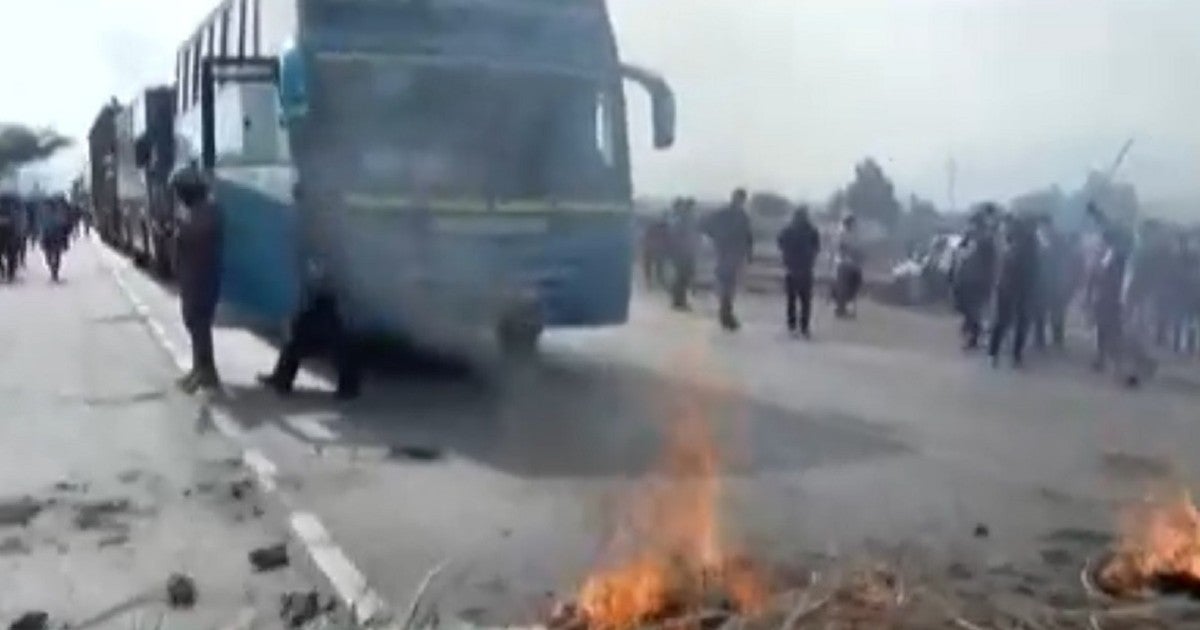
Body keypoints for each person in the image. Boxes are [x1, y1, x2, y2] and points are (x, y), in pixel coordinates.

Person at [257, 260, 362, 400]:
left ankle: (283, 379)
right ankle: (283, 378)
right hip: (324, 301)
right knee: (309, 338)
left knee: (329, 340)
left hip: (328, 302)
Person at [173, 167, 224, 393]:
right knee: (195, 324)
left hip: (201, 277)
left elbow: (197, 238)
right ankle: (203, 370)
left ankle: (204, 372)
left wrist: (180, 232)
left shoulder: (206, 211)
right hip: (194, 276)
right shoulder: (198, 210)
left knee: (199, 324)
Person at [1086, 203, 1134, 378]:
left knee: (1112, 331)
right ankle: (1104, 360)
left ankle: (1120, 366)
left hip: (1112, 298)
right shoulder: (1112, 254)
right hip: (1106, 297)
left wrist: (1098, 214)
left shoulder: (1118, 255)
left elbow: (1109, 227)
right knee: (1104, 329)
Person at [987, 213, 1040, 367]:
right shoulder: (1026, 245)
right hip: (1017, 289)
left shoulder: (1013, 245)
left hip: (1011, 288)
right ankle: (1013, 355)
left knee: (1004, 321)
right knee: (1017, 323)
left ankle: (995, 353)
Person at [703, 188, 754, 330]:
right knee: (727, 285)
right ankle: (726, 314)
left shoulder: (733, 215)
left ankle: (726, 313)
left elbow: (748, 237)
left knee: (728, 285)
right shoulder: (733, 215)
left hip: (731, 253)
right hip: (729, 253)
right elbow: (748, 237)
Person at [952, 208, 998, 349]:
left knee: (974, 309)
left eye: (972, 223)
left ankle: (974, 336)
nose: (969, 226)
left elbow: (991, 261)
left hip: (978, 280)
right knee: (965, 307)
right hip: (965, 278)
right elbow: (959, 251)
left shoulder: (986, 240)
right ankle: (974, 331)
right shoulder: (969, 237)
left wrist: (991, 278)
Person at [777, 205, 821, 337]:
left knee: (793, 298)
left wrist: (787, 256)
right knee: (804, 299)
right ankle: (803, 326)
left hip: (793, 267)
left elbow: (780, 243)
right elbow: (817, 247)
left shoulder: (789, 230)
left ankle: (793, 324)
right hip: (804, 267)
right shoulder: (811, 230)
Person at [667, 198, 701, 311]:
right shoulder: (683, 220)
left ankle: (679, 301)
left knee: (683, 277)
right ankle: (679, 301)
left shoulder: (683, 219)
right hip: (683, 253)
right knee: (682, 277)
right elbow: (679, 236)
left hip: (684, 252)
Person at [832, 214, 864, 318]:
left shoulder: (852, 234)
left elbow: (855, 249)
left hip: (851, 263)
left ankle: (843, 306)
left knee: (854, 282)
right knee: (843, 287)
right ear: (849, 224)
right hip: (843, 262)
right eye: (853, 224)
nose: (855, 226)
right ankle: (840, 308)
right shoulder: (842, 233)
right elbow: (842, 248)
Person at [39, 199, 71, 282]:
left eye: (47, 207)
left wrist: (65, 239)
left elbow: (64, 228)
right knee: (48, 258)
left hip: (57, 238)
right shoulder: (44, 216)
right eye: (45, 207)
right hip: (47, 239)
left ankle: (55, 273)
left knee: (56, 256)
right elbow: (42, 229)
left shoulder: (58, 215)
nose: (46, 208)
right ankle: (53, 270)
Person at [641, 211, 671, 289]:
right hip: (656, 249)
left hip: (653, 248)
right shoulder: (665, 228)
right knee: (658, 265)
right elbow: (667, 240)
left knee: (653, 265)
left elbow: (646, 238)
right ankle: (655, 281)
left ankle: (650, 281)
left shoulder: (654, 227)